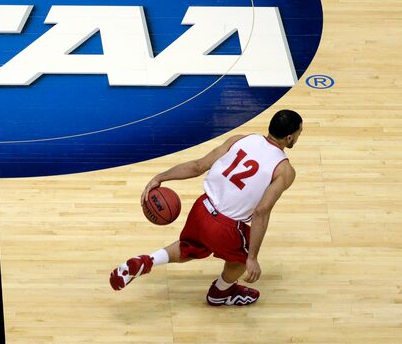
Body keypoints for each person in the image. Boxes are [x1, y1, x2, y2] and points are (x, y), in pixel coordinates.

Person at [109, 110, 303, 306]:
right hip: (227, 226)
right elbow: (262, 211)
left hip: (202, 207)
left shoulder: (241, 139)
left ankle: (148, 261)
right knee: (241, 260)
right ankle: (221, 291)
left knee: (190, 248)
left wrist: (160, 177)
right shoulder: (285, 170)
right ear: (289, 137)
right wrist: (252, 257)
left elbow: (197, 166)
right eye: (299, 132)